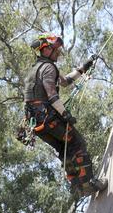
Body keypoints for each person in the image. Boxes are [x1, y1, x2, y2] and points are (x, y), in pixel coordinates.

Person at [23, 33, 107, 197]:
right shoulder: (48, 68)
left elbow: (65, 81)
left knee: (65, 150)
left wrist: (84, 68)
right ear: (46, 50)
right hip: (48, 119)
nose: (59, 53)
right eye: (56, 49)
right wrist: (65, 114)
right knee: (77, 143)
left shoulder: (37, 68)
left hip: (36, 126)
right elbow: (52, 94)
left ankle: (77, 187)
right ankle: (88, 183)